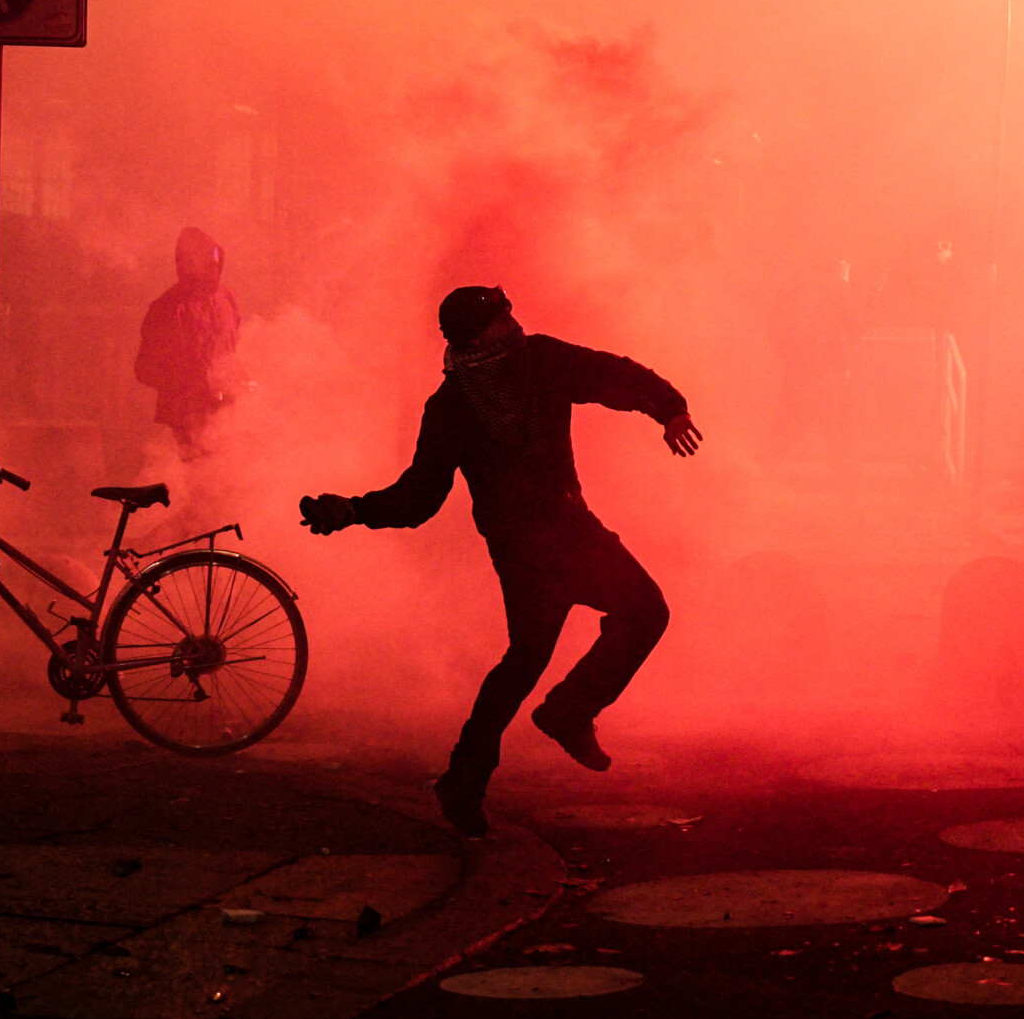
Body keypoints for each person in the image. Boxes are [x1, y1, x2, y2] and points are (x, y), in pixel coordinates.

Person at [300, 286, 700, 836]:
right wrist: (352, 510)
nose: (513, 324)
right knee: (546, 652)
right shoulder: (450, 409)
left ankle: (505, 754)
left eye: (511, 312)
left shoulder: (541, 360)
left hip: (569, 528)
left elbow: (614, 375)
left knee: (584, 637)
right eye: (498, 319)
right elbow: (420, 497)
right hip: (523, 549)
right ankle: (533, 736)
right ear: (471, 336)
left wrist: (668, 407)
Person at [135, 227, 242, 459]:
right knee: (195, 481)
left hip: (226, 413)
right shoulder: (168, 309)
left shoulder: (227, 299)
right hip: (187, 419)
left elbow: (235, 348)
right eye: (207, 261)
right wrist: (188, 383)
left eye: (216, 259)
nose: (214, 266)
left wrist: (239, 379)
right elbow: (144, 369)